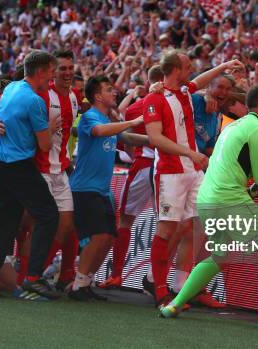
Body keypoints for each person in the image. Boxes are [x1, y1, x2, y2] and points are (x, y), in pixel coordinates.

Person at [159, 84, 258, 331]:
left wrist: (250, 190)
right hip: (227, 199)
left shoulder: (233, 126)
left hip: (207, 198)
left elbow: (234, 168)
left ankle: (175, 304)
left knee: (221, 255)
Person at [143, 49, 244, 306]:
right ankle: (158, 288)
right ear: (176, 68)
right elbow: (155, 139)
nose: (192, 69)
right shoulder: (154, 99)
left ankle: (184, 284)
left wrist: (224, 65)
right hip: (169, 172)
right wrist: (191, 152)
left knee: (198, 226)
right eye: (188, 65)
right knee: (168, 229)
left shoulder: (186, 92)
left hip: (192, 169)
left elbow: (202, 81)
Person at [0, 51, 61, 299]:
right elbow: (44, 145)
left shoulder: (11, 88)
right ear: (41, 72)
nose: (52, 79)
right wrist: (51, 129)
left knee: (6, 221)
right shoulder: (34, 101)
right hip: (18, 165)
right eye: (51, 72)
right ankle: (33, 277)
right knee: (48, 215)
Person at [68, 75, 147, 301]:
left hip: (101, 190)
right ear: (97, 96)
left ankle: (83, 282)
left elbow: (127, 137)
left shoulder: (106, 120)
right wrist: (133, 121)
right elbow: (100, 132)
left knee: (108, 237)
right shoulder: (90, 118)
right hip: (84, 188)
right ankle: (77, 284)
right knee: (100, 236)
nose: (114, 92)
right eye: (109, 89)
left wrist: (154, 139)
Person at [99, 65, 164, 289]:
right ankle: (157, 280)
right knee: (168, 224)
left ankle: (117, 274)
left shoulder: (137, 107)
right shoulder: (178, 104)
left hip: (144, 164)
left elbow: (128, 145)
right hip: (168, 166)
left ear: (149, 82)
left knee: (126, 219)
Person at [26, 50, 81, 293]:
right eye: (62, 68)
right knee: (33, 224)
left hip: (61, 170)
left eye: (71, 68)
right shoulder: (42, 96)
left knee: (66, 224)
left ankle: (36, 273)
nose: (67, 73)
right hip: (41, 169)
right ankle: (27, 274)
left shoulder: (73, 97)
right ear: (52, 72)